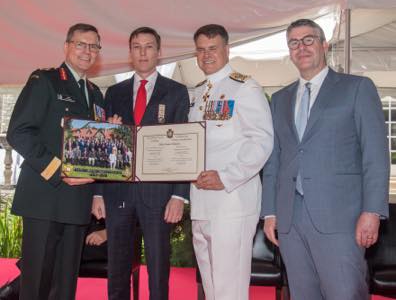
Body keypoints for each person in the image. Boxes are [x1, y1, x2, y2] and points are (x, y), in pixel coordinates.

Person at [261, 18, 390, 300]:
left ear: (324, 45)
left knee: (345, 294)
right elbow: (274, 159)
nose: (301, 47)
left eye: (308, 40)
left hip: (342, 219)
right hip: (290, 220)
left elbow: (375, 155)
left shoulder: (357, 88)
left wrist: (372, 212)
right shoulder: (280, 99)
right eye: (294, 43)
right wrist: (270, 212)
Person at [6, 23, 105, 300]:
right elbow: (18, 132)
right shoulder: (45, 81)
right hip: (44, 199)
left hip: (77, 202)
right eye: (80, 44)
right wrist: (58, 171)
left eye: (93, 46)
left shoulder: (96, 93)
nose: (87, 51)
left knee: (65, 286)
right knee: (37, 283)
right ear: (67, 47)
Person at [92, 26, 190, 300]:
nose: (143, 52)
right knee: (118, 267)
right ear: (130, 52)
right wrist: (98, 191)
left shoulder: (177, 92)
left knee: (159, 268)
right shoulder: (113, 92)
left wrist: (179, 195)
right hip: (117, 192)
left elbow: (184, 145)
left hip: (158, 193)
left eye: (149, 46)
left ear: (159, 52)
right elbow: (104, 144)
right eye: (137, 46)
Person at [188, 24, 274, 300]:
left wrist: (226, 176)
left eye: (212, 48)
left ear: (227, 49)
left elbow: (261, 141)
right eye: (201, 50)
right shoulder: (197, 93)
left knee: (229, 287)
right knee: (211, 284)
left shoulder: (245, 87)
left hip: (231, 201)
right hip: (201, 203)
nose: (206, 55)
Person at [0, 219, 108, 300]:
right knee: (57, 244)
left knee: (60, 251)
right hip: (95, 229)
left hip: (115, 237)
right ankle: (11, 291)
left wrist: (106, 233)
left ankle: (10, 291)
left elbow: (123, 205)